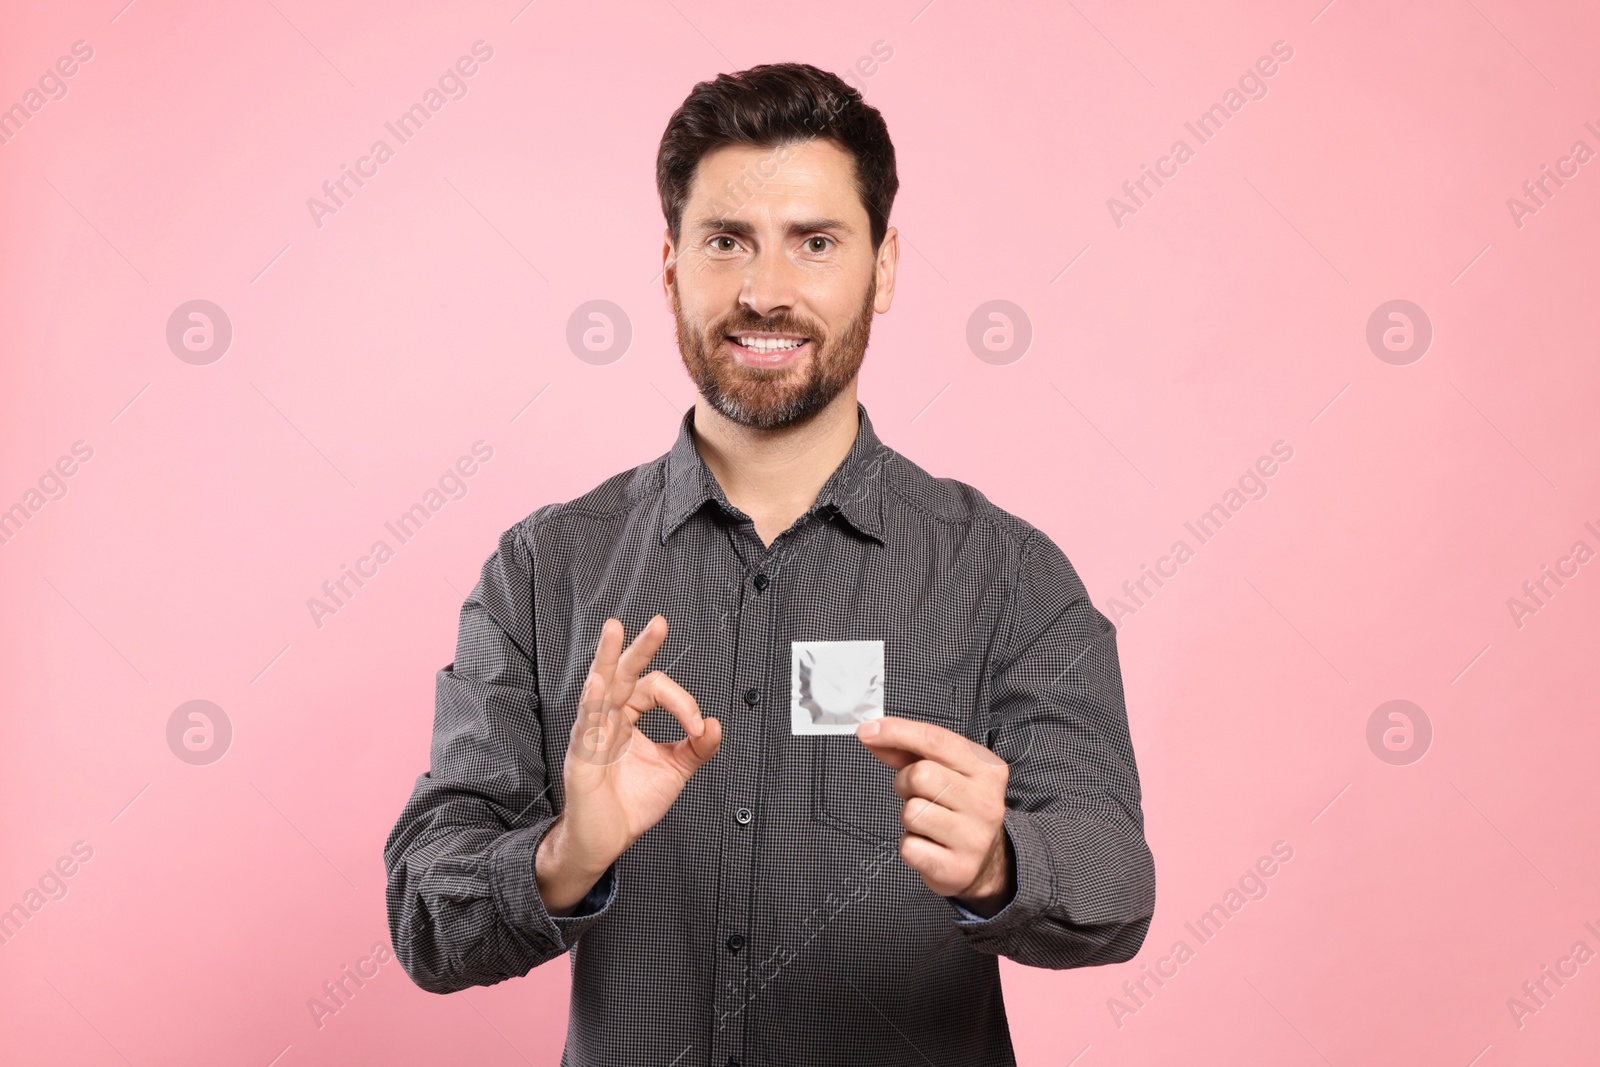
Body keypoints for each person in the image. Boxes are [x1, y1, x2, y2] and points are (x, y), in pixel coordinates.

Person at [384, 61, 1155, 1066]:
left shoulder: (1005, 574)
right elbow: (427, 918)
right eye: (726, 242)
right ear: (669, 266)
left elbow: (1116, 882)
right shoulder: (544, 570)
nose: (765, 291)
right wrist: (566, 853)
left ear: (881, 268)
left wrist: (1003, 861)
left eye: (816, 242)